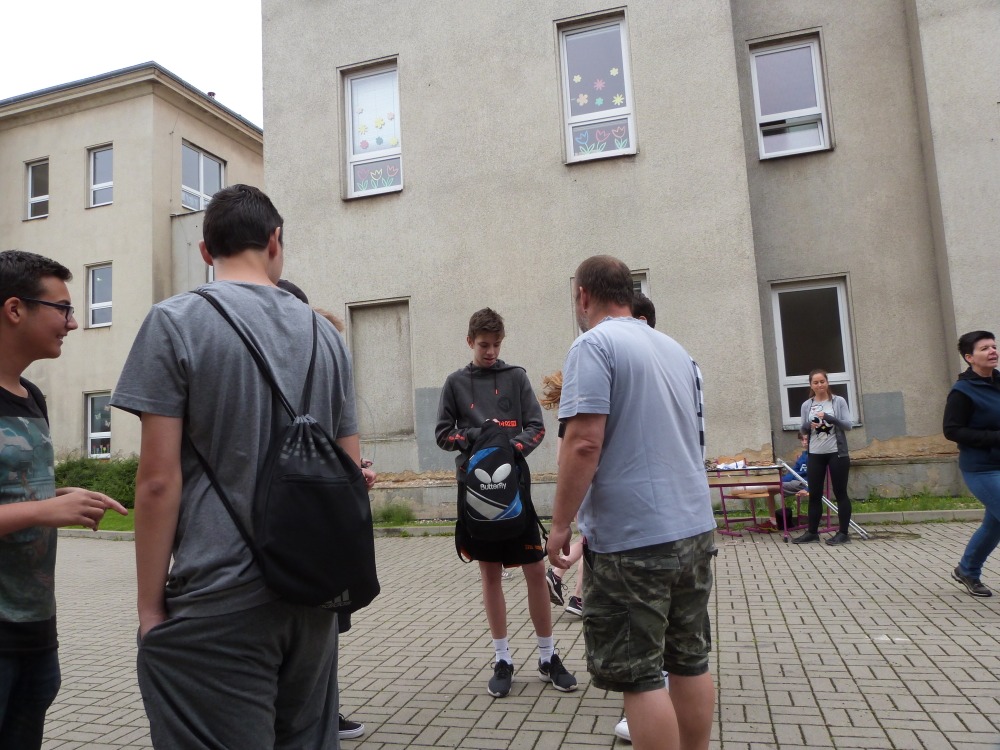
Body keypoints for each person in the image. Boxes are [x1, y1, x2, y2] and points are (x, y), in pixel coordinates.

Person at [111, 184, 367, 748]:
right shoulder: (326, 336)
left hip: (219, 595)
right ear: (275, 241)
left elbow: (157, 483)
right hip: (314, 597)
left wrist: (150, 610)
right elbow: (350, 473)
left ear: (206, 251)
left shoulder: (174, 322)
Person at [548, 255, 716, 750]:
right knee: (689, 660)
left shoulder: (593, 346)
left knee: (640, 676)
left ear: (583, 296)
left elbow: (583, 442)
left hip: (633, 541)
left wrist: (560, 524)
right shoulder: (676, 350)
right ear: (628, 291)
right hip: (694, 529)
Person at [0, 250, 127, 749]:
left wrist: (59, 496)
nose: (72, 323)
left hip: (35, 630)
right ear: (15, 309)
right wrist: (45, 509)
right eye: (63, 309)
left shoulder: (31, 396)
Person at [435, 308, 577, 698]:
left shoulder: (516, 377)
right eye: (484, 345)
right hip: (477, 497)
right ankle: (503, 659)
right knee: (490, 575)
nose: (491, 352)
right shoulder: (455, 383)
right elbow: (443, 434)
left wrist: (509, 448)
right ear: (470, 342)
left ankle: (547, 656)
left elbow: (537, 427)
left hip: (516, 492)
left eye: (496, 345)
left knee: (535, 569)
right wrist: (478, 440)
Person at [276, 279, 367, 741]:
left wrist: (354, 473)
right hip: (307, 527)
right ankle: (317, 715)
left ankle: (323, 712)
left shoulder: (321, 360)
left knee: (323, 629)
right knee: (313, 629)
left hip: (318, 524)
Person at [943, 330, 1000, 598]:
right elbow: (952, 430)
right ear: (969, 357)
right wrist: (995, 438)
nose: (992, 351)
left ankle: (967, 570)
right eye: (984, 348)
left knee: (995, 524)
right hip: (982, 467)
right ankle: (968, 570)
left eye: (994, 346)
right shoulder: (962, 391)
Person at [792, 370, 853, 546]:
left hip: (837, 453)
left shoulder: (838, 401)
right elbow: (802, 430)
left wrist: (829, 418)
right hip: (815, 454)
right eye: (816, 382)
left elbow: (848, 425)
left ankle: (843, 533)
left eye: (822, 381)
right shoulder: (807, 405)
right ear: (811, 385)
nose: (819, 385)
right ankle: (812, 532)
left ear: (827, 382)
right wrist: (808, 425)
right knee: (815, 494)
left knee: (840, 493)